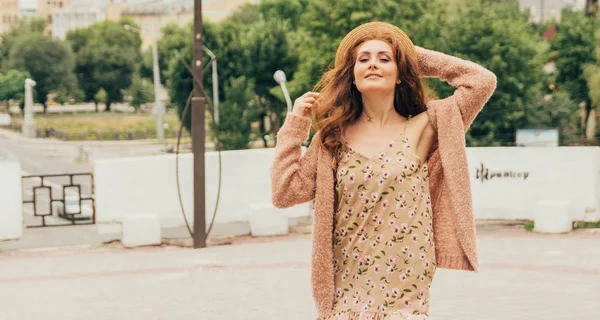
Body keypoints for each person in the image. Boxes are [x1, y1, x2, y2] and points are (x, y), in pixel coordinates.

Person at [271, 22, 497, 320]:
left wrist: (411, 56)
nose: (373, 64)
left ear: (402, 74)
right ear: (351, 76)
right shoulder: (332, 138)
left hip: (404, 290)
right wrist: (295, 126)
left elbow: (480, 81)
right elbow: (284, 193)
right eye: (363, 59)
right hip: (346, 290)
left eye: (384, 58)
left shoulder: (427, 126)